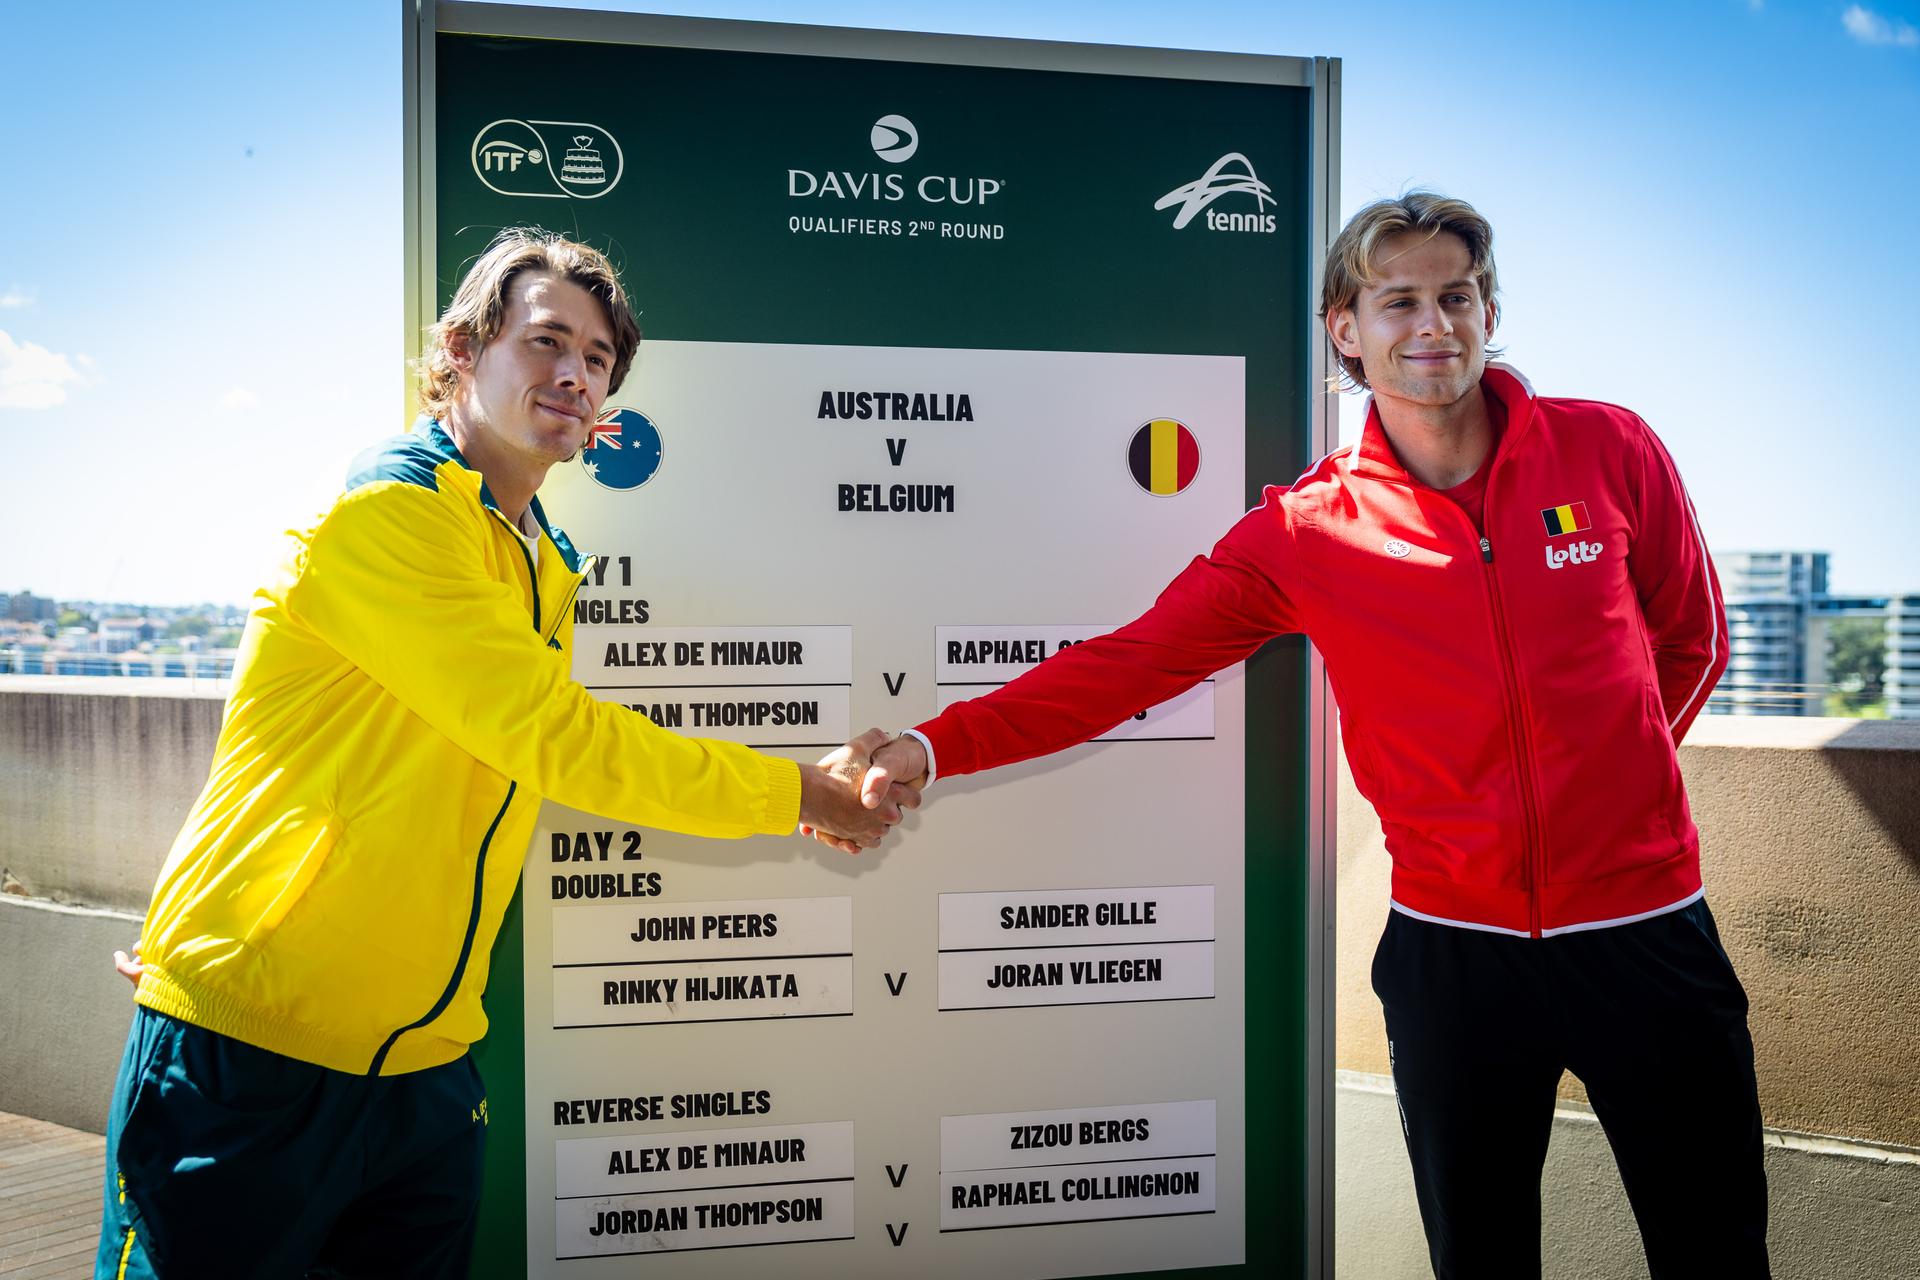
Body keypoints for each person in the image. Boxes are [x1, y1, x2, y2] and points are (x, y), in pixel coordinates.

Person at [836, 193, 1767, 1278]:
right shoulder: (1304, 529)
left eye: (1457, 296)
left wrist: (1619, 799)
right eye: (1400, 301)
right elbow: (1126, 664)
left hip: (1648, 932)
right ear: (1346, 328)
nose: (1434, 325)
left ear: (1490, 308)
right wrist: (933, 743)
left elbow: (1692, 638)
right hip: (1453, 956)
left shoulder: (1609, 448)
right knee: (1481, 1258)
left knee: (1716, 1251)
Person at [96, 228, 914, 1279]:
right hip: (253, 1051)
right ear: (461, 349)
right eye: (545, 341)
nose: (574, 372)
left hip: (427, 1069)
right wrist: (800, 790)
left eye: (598, 359)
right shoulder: (392, 513)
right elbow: (556, 737)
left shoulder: (541, 557)